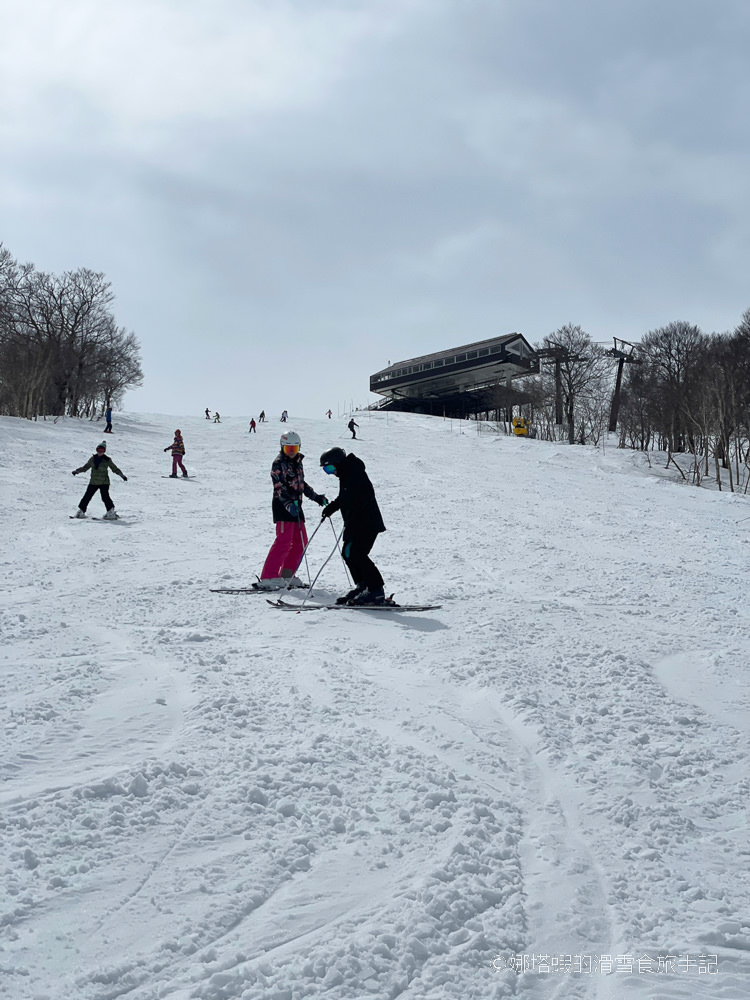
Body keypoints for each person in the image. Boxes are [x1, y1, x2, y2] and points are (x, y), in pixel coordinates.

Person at [256, 431, 328, 589]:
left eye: (294, 449)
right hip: (283, 506)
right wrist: (288, 505)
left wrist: (316, 497)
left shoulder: (297, 462)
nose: (291, 452)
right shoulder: (278, 464)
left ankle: (287, 575)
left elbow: (301, 483)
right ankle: (269, 577)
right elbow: (279, 487)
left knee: (301, 542)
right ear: (282, 448)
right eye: (288, 449)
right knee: (283, 541)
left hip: (297, 506)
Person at [320, 447, 386, 605]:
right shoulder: (347, 473)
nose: (330, 473)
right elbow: (345, 496)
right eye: (326, 471)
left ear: (338, 463)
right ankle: (363, 586)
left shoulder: (354, 472)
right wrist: (333, 507)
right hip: (356, 523)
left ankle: (376, 590)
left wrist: (351, 509)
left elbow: (364, 494)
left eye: (330, 468)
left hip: (367, 523)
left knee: (357, 554)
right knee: (348, 553)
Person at [72, 441, 127, 519]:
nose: (100, 452)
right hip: (93, 482)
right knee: (87, 497)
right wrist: (77, 471)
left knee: (105, 497)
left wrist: (122, 475)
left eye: (102, 450)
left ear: (104, 451)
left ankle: (111, 512)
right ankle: (81, 511)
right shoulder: (93, 459)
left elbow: (114, 469)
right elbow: (86, 467)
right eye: (99, 450)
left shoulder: (107, 460)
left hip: (104, 482)